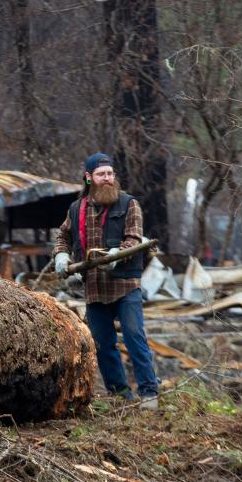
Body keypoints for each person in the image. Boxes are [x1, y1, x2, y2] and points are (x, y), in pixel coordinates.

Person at [53, 152, 159, 407]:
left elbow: (134, 238)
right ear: (89, 178)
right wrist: (62, 255)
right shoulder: (76, 208)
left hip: (125, 284)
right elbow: (62, 235)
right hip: (94, 287)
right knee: (102, 344)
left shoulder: (129, 204)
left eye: (110, 173)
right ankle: (120, 395)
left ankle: (149, 394)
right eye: (101, 174)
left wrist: (116, 254)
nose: (108, 178)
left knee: (134, 336)